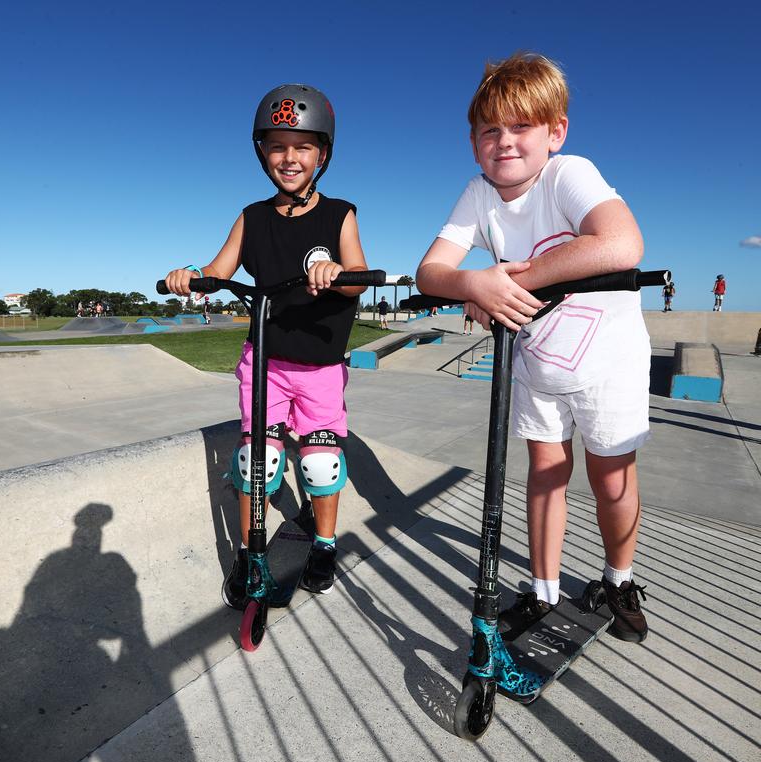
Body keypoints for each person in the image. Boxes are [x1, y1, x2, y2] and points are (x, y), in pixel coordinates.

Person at [415, 52, 650, 643]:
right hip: (539, 359)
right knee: (545, 472)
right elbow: (430, 272)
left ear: (556, 132)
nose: (506, 142)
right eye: (490, 130)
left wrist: (511, 281)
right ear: (473, 143)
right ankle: (544, 589)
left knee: (610, 475)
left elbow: (622, 243)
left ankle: (618, 578)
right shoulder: (478, 193)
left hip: (608, 360)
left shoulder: (568, 174)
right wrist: (472, 282)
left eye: (522, 126)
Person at [165, 83, 371, 605]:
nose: (290, 157)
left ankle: (324, 545)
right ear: (263, 153)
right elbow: (218, 269)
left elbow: (360, 275)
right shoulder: (252, 217)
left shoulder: (340, 213)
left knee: (320, 463)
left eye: (302, 146)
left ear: (322, 154)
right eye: (278, 146)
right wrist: (190, 276)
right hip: (265, 362)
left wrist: (338, 272)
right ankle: (251, 553)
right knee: (257, 461)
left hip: (321, 365)